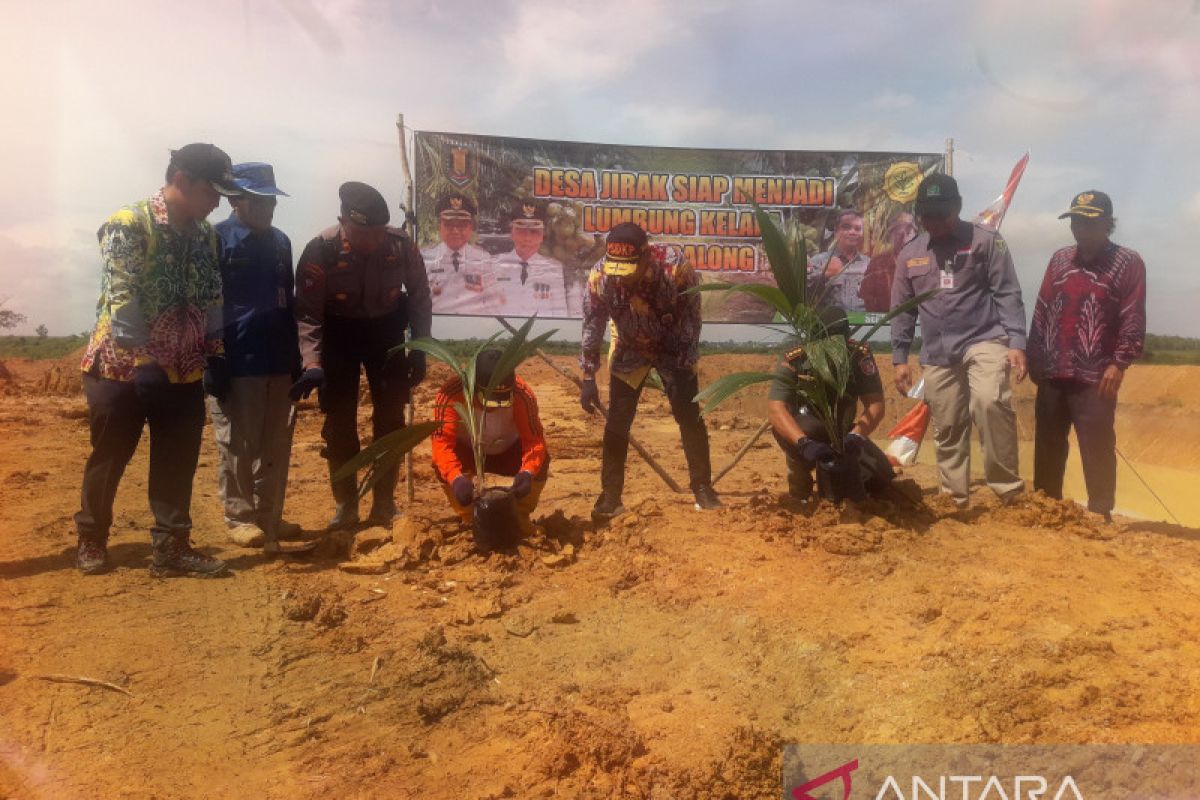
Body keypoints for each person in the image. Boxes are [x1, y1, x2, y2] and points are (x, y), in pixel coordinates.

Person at [74, 143, 241, 576]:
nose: (218, 202)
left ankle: (172, 548)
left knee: (177, 458)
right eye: (213, 191)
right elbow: (122, 294)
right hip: (122, 368)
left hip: (184, 367)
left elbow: (212, 294)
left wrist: (216, 351)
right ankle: (91, 539)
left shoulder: (205, 234)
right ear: (182, 180)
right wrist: (144, 359)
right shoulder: (128, 224)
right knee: (110, 455)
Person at [292, 181, 432, 529]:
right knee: (339, 423)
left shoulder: (401, 246)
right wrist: (312, 362)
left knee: (391, 420)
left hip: (385, 335)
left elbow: (419, 296)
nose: (372, 241)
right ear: (343, 222)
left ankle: (383, 504)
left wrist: (419, 349)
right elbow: (307, 314)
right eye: (363, 233)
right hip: (339, 336)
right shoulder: (320, 251)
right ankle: (346, 506)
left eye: (377, 232)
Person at [890, 173, 1028, 509]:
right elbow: (902, 309)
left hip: (985, 338)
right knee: (948, 422)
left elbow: (1008, 293)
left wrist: (1017, 343)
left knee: (989, 401)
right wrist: (899, 358)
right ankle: (954, 497)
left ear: (958, 208)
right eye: (927, 215)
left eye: (942, 214)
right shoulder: (910, 254)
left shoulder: (985, 241)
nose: (934, 222)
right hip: (938, 350)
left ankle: (1007, 489)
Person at [580, 221, 721, 519]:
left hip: (673, 343)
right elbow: (593, 323)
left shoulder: (675, 269)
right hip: (629, 346)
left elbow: (692, 318)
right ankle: (610, 497)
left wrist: (682, 364)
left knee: (688, 415)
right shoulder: (600, 276)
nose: (623, 279)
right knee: (618, 421)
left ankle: (702, 487)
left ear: (645, 255)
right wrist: (588, 376)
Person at [1026, 191, 1146, 523]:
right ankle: (1046, 505)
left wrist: (1119, 363)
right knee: (1048, 442)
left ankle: (1099, 509)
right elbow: (1042, 309)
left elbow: (1132, 316)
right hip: (1053, 368)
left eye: (1090, 221)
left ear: (1108, 224)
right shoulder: (1059, 259)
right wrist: (1034, 357)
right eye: (1076, 221)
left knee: (1098, 443)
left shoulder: (1128, 263)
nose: (1081, 228)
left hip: (1097, 375)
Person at [209, 162, 302, 551]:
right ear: (237, 200)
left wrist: (298, 355)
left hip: (279, 357)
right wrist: (213, 359)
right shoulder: (217, 241)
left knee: (274, 442)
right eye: (259, 202)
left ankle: (269, 514)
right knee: (238, 443)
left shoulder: (281, 242)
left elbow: (289, 299)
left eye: (272, 202)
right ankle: (240, 517)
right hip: (238, 358)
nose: (268, 210)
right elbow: (206, 304)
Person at [768, 306, 894, 502]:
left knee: (882, 477)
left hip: (844, 432)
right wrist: (804, 444)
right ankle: (800, 478)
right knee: (807, 428)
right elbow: (777, 409)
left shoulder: (858, 355)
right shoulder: (796, 358)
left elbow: (875, 404)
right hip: (807, 429)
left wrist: (857, 436)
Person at [431, 349, 549, 532]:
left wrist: (527, 471)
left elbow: (534, 441)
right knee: (442, 466)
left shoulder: (522, 394)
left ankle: (519, 517)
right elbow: (441, 443)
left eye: (503, 401)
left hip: (509, 451)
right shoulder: (451, 395)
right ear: (475, 387)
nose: (496, 408)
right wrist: (456, 478)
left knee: (542, 461)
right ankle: (471, 519)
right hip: (469, 453)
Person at [420, 192, 495, 315]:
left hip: (475, 325)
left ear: (471, 227)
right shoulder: (424, 258)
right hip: (436, 326)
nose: (455, 231)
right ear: (439, 226)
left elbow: (492, 300)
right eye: (449, 224)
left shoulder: (484, 258)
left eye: (461, 225)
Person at [492, 200, 570, 317]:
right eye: (521, 231)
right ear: (512, 233)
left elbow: (560, 313)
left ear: (542, 236)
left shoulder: (553, 268)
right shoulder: (494, 265)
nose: (527, 238)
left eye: (534, 232)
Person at [808, 209, 870, 312]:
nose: (852, 232)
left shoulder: (869, 263)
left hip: (865, 324)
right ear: (836, 231)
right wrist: (824, 274)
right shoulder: (820, 260)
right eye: (846, 227)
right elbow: (802, 289)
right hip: (831, 325)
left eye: (858, 229)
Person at [858, 211, 916, 313]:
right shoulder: (877, 263)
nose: (903, 237)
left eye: (908, 231)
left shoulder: (926, 261)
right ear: (891, 235)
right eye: (898, 232)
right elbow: (867, 298)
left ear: (915, 234)